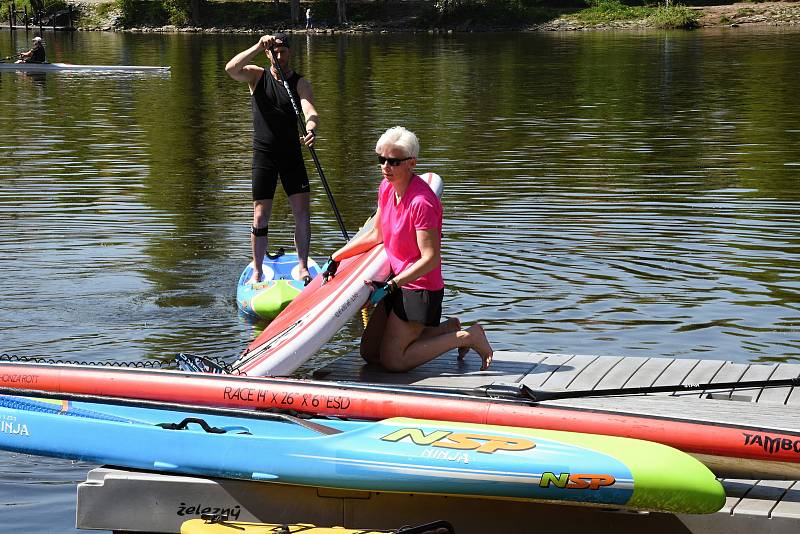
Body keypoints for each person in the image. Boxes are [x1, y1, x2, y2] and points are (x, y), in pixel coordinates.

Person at [321, 126, 493, 373]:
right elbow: (375, 234)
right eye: (382, 159)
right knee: (369, 353)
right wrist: (336, 256)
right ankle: (448, 328)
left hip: (420, 289)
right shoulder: (386, 188)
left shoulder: (422, 203)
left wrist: (392, 285)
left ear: (412, 163)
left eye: (393, 161)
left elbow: (430, 259)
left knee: (394, 361)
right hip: (397, 283)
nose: (385, 167)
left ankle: (469, 336)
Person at [225, 33, 318, 285]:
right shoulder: (257, 76)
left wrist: (310, 129)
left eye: (283, 52)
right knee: (259, 215)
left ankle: (302, 267)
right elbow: (230, 68)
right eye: (274, 52)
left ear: (290, 53)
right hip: (264, 155)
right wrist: (257, 45)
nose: (279, 56)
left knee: (302, 212)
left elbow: (310, 110)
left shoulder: (300, 83)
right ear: (268, 54)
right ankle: (257, 270)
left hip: (291, 155)